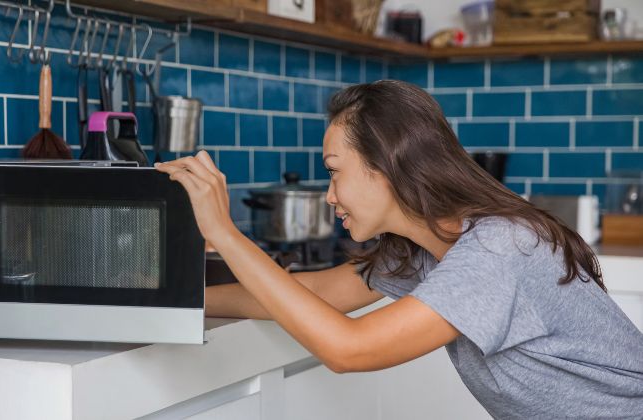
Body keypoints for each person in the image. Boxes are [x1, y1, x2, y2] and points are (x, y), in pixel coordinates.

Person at [154, 80, 643, 418]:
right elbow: (318, 292)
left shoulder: (497, 249)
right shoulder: (423, 249)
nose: (329, 195)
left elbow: (349, 349)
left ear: (385, 166)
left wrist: (224, 233)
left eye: (333, 170)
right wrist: (178, 298)